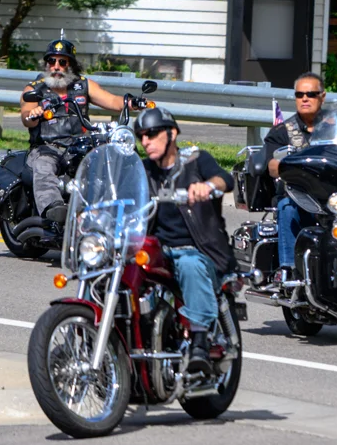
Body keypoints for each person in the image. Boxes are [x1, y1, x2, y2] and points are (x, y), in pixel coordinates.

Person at [135, 106, 233, 376]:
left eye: (152, 134)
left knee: (189, 264)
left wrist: (208, 186)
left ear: (172, 133)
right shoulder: (142, 169)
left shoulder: (196, 160)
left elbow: (225, 179)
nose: (145, 141)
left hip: (198, 249)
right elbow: (119, 189)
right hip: (155, 250)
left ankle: (200, 340)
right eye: (141, 136)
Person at [19, 39, 124, 236]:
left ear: (71, 65)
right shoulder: (35, 89)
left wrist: (131, 102)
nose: (56, 66)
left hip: (79, 146)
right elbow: (26, 116)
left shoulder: (83, 85)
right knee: (43, 166)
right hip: (47, 147)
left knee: (109, 163)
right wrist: (33, 114)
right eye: (51, 61)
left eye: (62, 62)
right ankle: (53, 209)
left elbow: (112, 101)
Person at [261, 73, 327, 280]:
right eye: (300, 95)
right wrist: (287, 165)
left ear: (322, 97)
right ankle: (289, 272)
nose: (305, 98)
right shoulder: (282, 131)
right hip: (300, 197)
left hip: (334, 198)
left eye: (311, 94)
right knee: (287, 207)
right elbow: (271, 166)